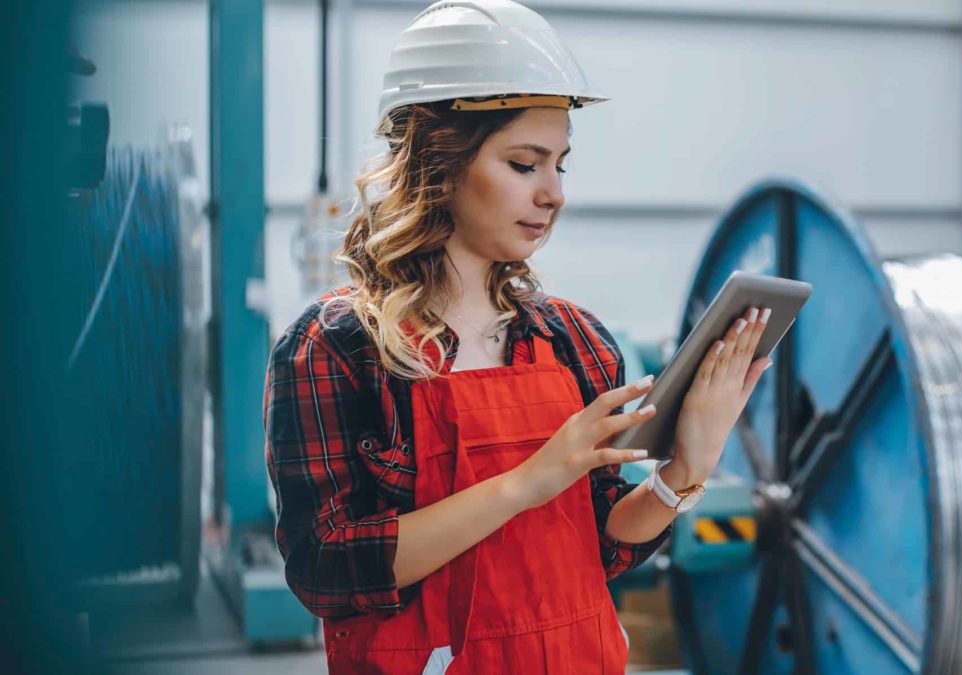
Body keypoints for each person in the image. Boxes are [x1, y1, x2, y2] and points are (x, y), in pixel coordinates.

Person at [263, 1, 774, 672]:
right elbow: (324, 566)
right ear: (438, 161)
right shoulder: (338, 347)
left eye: (560, 164)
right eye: (524, 164)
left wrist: (685, 471)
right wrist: (528, 480)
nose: (554, 193)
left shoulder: (575, 340)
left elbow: (606, 542)